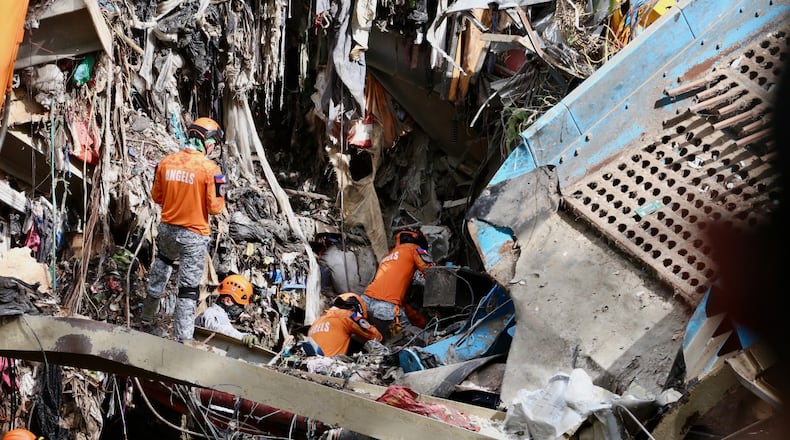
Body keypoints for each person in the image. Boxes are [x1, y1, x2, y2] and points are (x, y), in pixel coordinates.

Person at [141, 117, 226, 342]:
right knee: (188, 289)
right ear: (208, 143)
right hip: (194, 235)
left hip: (167, 229)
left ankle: (146, 316)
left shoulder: (166, 162)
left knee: (161, 269)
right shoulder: (211, 170)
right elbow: (216, 208)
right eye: (214, 144)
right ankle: (182, 339)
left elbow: (156, 196)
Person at [360, 228, 433, 340]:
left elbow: (401, 303)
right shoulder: (413, 249)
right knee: (410, 339)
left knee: (388, 338)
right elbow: (432, 272)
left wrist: (420, 322)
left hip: (366, 305)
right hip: (386, 310)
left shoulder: (389, 256)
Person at [306, 292, 383, 357]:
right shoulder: (349, 315)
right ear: (354, 309)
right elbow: (375, 336)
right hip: (329, 366)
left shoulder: (317, 321)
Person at [195, 274, 260, 348]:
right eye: (239, 306)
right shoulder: (213, 314)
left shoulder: (221, 315)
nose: (241, 310)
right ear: (227, 301)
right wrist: (243, 337)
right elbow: (222, 330)